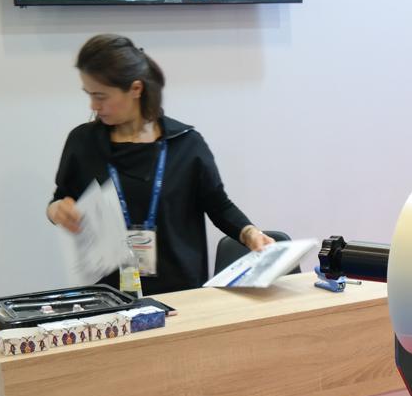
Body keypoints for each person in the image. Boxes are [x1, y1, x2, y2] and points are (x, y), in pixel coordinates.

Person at [47, 35, 274, 295]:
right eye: (89, 95)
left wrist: (249, 233)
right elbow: (59, 199)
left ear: (136, 89)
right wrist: (57, 210)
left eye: (101, 96)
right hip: (109, 298)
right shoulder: (83, 142)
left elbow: (218, 204)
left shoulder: (186, 144)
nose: (93, 105)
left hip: (182, 295)